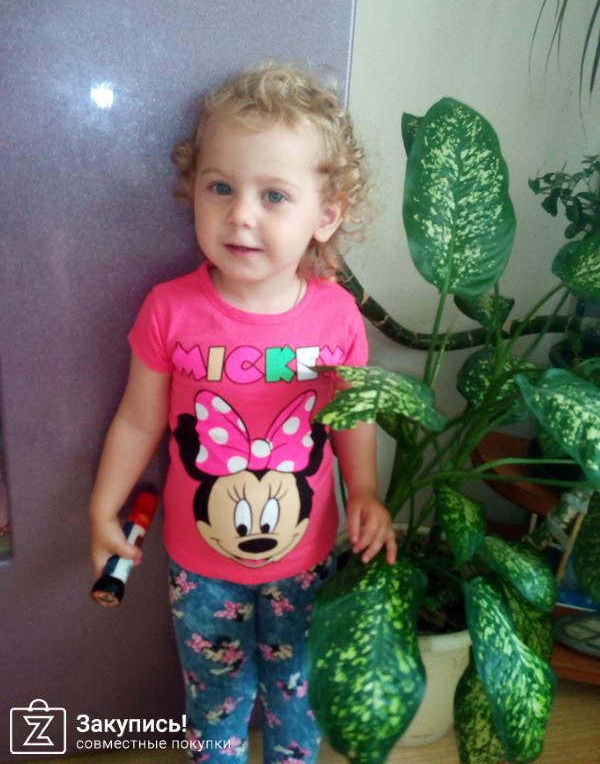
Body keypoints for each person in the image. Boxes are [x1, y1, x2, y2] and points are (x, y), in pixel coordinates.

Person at [89, 61, 396, 764]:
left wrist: (366, 490)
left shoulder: (337, 317)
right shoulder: (169, 309)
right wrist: (103, 508)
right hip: (200, 567)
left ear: (327, 214)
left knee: (297, 696)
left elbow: (352, 415)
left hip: (307, 561)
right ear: (193, 190)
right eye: (221, 187)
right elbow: (139, 419)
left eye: (274, 195)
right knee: (215, 703)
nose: (241, 215)